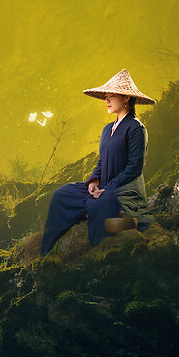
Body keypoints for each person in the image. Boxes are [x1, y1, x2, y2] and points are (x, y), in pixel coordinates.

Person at [40, 69, 154, 256]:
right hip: (102, 185)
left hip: (124, 189)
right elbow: (101, 161)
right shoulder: (107, 129)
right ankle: (47, 250)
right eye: (105, 96)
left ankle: (101, 251)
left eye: (111, 96)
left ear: (126, 98)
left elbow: (134, 167)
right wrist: (93, 182)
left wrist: (109, 188)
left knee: (104, 202)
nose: (106, 100)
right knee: (61, 194)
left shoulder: (136, 129)